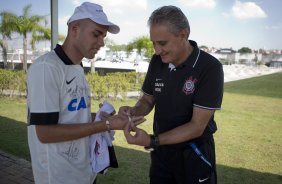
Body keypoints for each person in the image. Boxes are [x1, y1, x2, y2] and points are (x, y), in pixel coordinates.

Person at [27, 2, 144, 184]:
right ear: (75, 29)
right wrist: (105, 125)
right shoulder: (47, 67)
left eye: (103, 36)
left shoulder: (77, 67)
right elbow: (45, 132)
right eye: (96, 34)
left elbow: (72, 115)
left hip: (84, 172)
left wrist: (101, 117)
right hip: (59, 177)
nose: (102, 42)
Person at [121, 5, 224, 184]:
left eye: (162, 43)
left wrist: (153, 140)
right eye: (153, 43)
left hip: (194, 154)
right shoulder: (157, 61)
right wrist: (134, 110)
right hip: (162, 152)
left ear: (183, 35)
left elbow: (196, 126)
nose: (157, 50)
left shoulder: (210, 67)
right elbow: (147, 99)